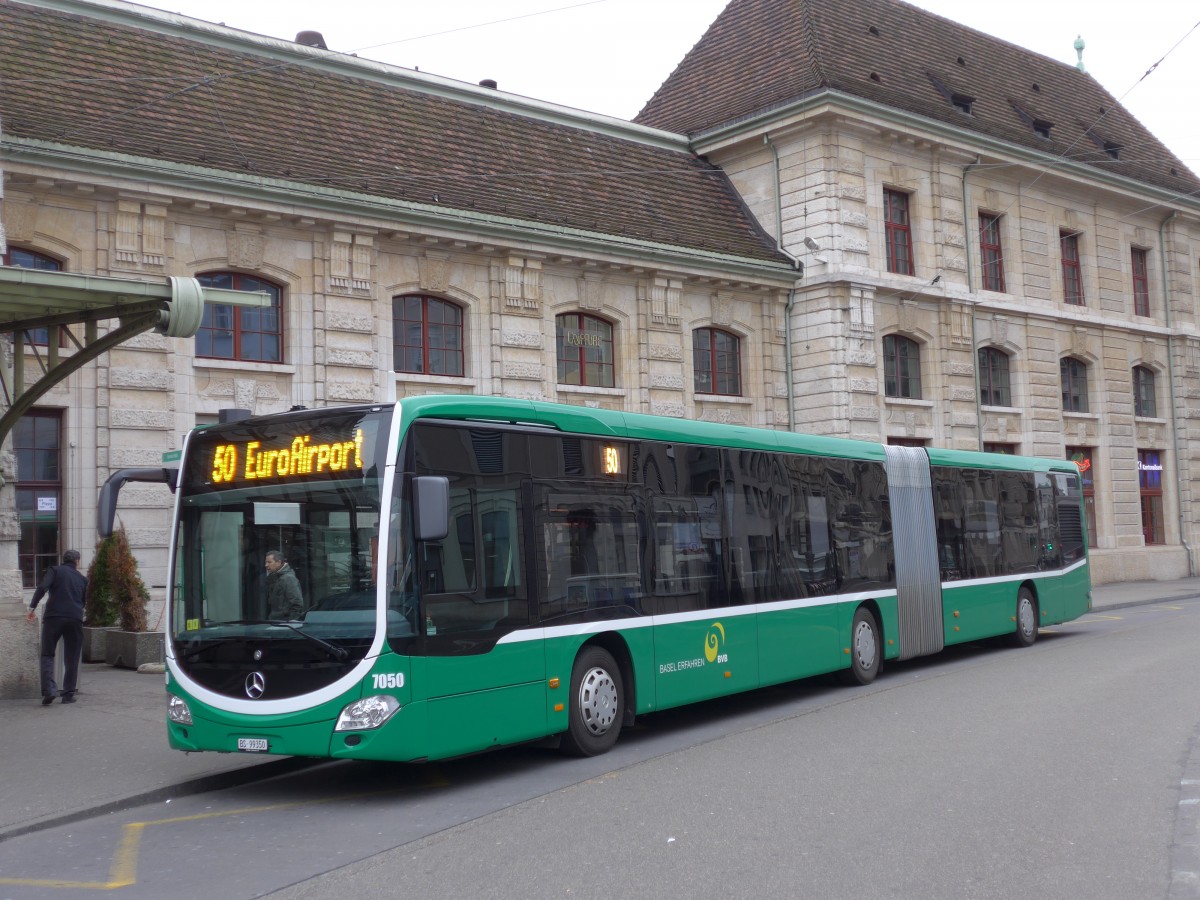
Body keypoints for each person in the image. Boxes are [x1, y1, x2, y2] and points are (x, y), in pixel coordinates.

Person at [25, 549, 88, 705]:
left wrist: (32, 607)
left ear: (63, 560)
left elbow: (42, 587)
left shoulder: (55, 570)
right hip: (75, 618)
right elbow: (83, 602)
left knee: (47, 653)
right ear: (77, 562)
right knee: (72, 657)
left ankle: (49, 690)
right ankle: (68, 695)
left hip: (54, 617)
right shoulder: (82, 579)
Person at [264, 550, 303, 620]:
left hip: (284, 623)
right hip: (276, 621)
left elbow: (296, 604)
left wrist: (290, 623)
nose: (266, 565)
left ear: (279, 562)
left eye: (269, 562)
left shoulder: (288, 578)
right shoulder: (275, 576)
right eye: (266, 562)